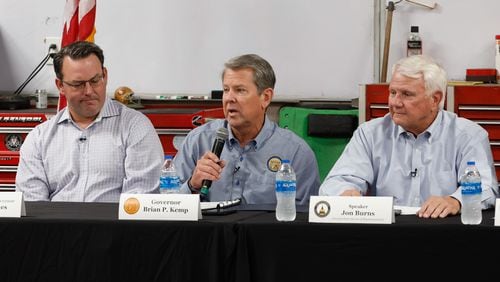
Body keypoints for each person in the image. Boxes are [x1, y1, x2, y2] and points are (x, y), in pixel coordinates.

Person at [319, 55, 498, 218]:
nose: (395, 102)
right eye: (392, 92)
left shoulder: (468, 136)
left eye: (406, 94)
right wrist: (345, 192)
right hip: (385, 237)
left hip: (444, 235)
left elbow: (486, 187)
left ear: (435, 99)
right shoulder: (370, 134)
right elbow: (335, 182)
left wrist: (455, 201)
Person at [15, 41, 164, 202]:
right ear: (60, 86)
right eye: (78, 84)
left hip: (115, 227)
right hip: (56, 227)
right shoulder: (39, 138)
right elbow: (32, 205)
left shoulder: (135, 127)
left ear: (105, 76)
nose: (89, 91)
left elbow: (140, 200)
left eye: (95, 81)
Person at [174, 54, 320, 205]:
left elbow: (306, 220)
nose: (229, 98)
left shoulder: (296, 153)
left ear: (265, 97)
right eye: (226, 90)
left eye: (240, 90)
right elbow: (166, 207)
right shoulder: (198, 141)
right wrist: (192, 185)